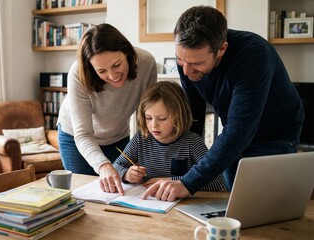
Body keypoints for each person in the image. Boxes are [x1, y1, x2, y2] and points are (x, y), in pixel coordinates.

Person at [142, 6, 304, 202]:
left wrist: (188, 183)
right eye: (180, 60)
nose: (186, 71)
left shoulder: (254, 56)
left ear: (222, 49)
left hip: (275, 135)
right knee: (232, 201)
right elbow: (193, 113)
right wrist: (185, 163)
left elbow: (239, 130)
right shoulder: (188, 58)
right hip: (234, 130)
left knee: (262, 205)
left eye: (196, 64)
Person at [57, 23, 157, 194]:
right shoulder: (77, 74)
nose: (112, 76)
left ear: (126, 52)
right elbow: (83, 134)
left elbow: (146, 117)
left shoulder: (146, 63)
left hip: (117, 136)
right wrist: (103, 166)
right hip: (76, 138)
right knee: (85, 195)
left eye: (117, 65)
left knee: (122, 192)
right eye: (102, 71)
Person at [113, 81, 225, 196]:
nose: (153, 125)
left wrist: (173, 181)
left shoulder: (192, 142)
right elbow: (116, 167)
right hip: (148, 201)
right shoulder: (141, 138)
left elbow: (218, 181)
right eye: (148, 118)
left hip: (180, 205)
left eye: (162, 118)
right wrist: (126, 174)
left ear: (179, 116)